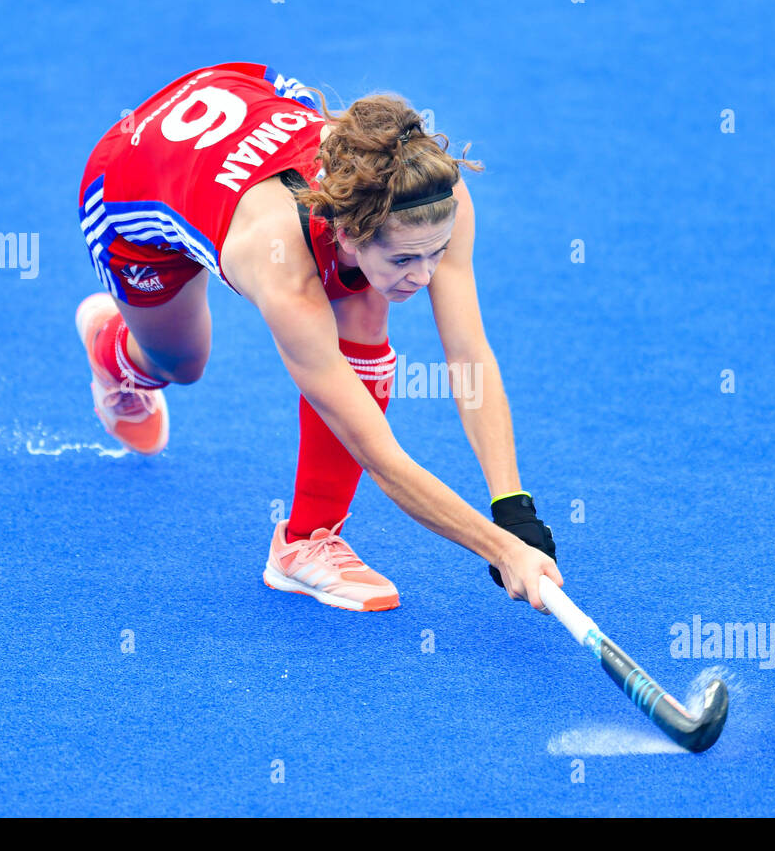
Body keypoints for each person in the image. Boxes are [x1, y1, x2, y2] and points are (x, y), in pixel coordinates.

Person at [75, 62, 561, 613]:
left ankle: (303, 544)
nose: (425, 276)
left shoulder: (430, 195)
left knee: (365, 313)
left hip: (245, 93)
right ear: (350, 235)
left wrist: (513, 506)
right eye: (403, 258)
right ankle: (113, 354)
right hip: (131, 178)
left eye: (435, 253)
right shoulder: (281, 269)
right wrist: (500, 550)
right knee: (182, 365)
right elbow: (379, 455)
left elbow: (469, 357)